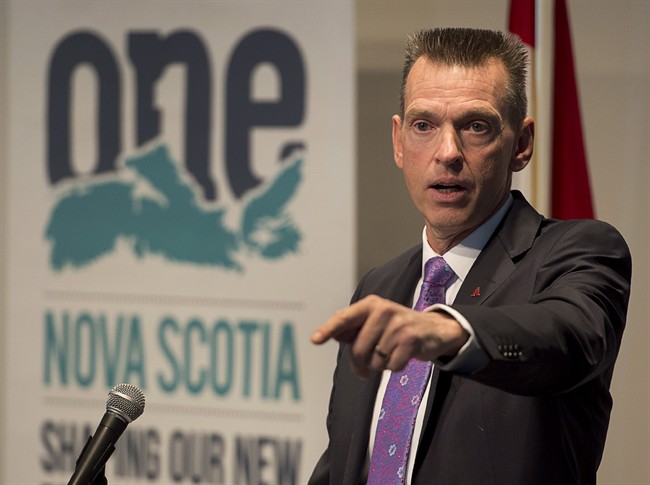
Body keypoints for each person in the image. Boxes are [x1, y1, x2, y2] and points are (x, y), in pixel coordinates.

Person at [308, 28, 631, 485]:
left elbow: (570, 337)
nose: (447, 153)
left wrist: (451, 330)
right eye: (424, 126)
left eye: (476, 126)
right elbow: (344, 466)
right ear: (399, 141)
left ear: (522, 144)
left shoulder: (579, 252)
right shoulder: (380, 286)